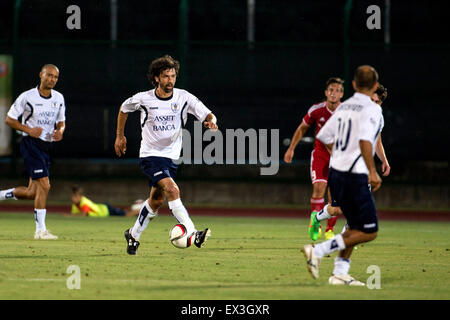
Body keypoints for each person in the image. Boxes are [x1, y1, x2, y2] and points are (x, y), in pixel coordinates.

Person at [114, 54, 218, 255]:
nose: (170, 81)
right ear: (156, 78)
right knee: (172, 190)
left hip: (171, 157)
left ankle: (133, 236)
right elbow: (124, 108)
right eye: (165, 77)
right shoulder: (144, 98)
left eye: (172, 76)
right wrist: (120, 136)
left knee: (156, 200)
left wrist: (212, 121)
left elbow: (207, 113)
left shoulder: (184, 97)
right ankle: (193, 232)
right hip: (150, 156)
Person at [301, 65, 384, 286]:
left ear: (354, 85)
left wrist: (339, 154)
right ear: (375, 86)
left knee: (354, 227)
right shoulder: (373, 109)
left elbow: (325, 134)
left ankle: (339, 273)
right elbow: (366, 141)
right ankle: (317, 250)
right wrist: (373, 171)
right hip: (355, 175)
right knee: (369, 231)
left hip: (337, 173)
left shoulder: (344, 107)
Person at [308, 84, 390, 237]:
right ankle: (317, 217)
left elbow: (377, 141)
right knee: (337, 209)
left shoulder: (378, 118)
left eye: (376, 102)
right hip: (341, 167)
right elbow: (325, 135)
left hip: (362, 168)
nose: (372, 105)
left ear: (381, 103)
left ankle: (347, 237)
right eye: (370, 100)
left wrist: (384, 160)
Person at [0, 64, 65, 240]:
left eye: (55, 77)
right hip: (30, 144)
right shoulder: (27, 97)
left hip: (47, 146)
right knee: (45, 186)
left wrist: (60, 131)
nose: (52, 79)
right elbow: (9, 119)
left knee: (32, 193)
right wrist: (28, 130)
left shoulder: (59, 98)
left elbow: (61, 122)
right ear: (41, 75)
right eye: (49, 75)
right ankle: (40, 231)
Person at [284, 77, 344, 240]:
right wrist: (291, 148)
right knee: (319, 188)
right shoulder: (316, 110)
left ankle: (329, 229)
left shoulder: (347, 112)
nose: (334, 93)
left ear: (342, 94)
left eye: (338, 90)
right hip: (320, 155)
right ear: (326, 92)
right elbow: (302, 128)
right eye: (331, 89)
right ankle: (315, 223)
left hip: (339, 158)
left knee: (335, 196)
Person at [70, 185, 141, 217]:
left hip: (106, 210)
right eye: (72, 196)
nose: (73, 198)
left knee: (126, 215)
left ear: (81, 196)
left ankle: (141, 210)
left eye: (75, 196)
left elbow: (83, 214)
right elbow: (74, 214)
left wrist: (70, 216)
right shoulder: (75, 205)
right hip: (104, 210)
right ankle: (137, 211)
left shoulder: (84, 202)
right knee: (125, 212)